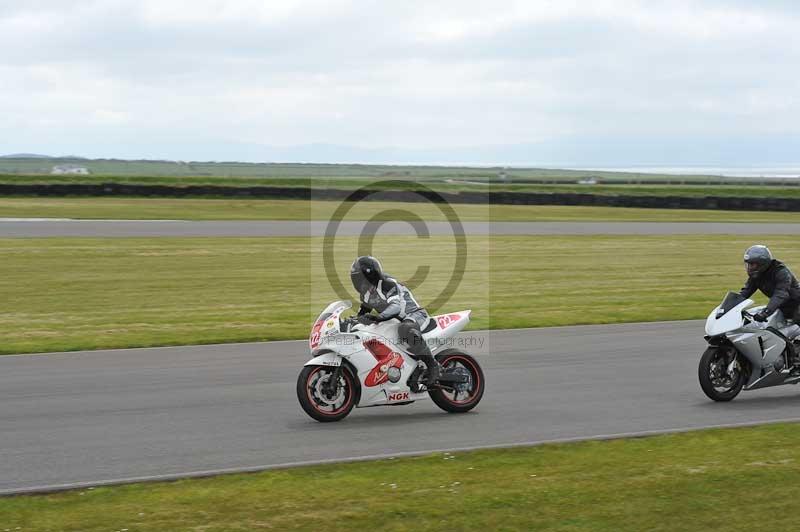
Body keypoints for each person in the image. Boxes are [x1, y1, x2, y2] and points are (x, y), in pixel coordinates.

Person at [349, 256, 440, 385]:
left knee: (406, 329)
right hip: (394, 320)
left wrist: (378, 318)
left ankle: (433, 365)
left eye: (360, 278)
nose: (358, 282)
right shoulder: (366, 294)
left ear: (370, 276)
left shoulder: (386, 283)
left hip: (414, 315)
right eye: (356, 279)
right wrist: (350, 322)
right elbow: (363, 313)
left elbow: (395, 307)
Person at [740, 245, 800, 368]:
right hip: (782, 307)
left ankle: (795, 359)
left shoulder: (781, 272)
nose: (750, 267)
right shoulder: (756, 276)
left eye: (753, 264)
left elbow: (781, 294)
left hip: (796, 304)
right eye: (748, 264)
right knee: (770, 330)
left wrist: (766, 312)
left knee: (789, 331)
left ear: (763, 263)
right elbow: (744, 293)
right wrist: (726, 308)